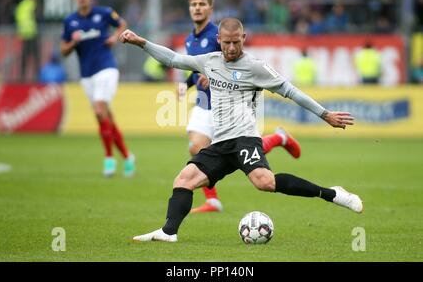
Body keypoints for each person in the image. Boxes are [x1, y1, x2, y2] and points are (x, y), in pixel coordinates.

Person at [119, 18, 362, 243]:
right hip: (221, 142)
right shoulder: (209, 62)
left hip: (245, 138)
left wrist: (325, 114)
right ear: (219, 41)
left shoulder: (256, 68)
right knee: (183, 180)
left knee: (264, 182)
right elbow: (172, 59)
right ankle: (168, 232)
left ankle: (332, 194)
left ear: (244, 38)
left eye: (237, 42)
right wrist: (141, 42)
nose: (232, 48)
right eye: (227, 43)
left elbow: (291, 91)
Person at [179, 0, 301, 214]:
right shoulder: (190, 39)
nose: (197, 8)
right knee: (197, 147)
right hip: (203, 102)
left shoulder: (220, 35)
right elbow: (198, 67)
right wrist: (186, 84)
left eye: (201, 4)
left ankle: (277, 138)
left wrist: (214, 74)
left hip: (229, 104)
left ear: (210, 9)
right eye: (193, 4)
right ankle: (212, 201)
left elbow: (233, 63)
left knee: (234, 150)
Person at [61, 0, 135, 177]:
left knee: (99, 109)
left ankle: (109, 158)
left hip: (107, 68)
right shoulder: (70, 21)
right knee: (104, 116)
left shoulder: (104, 13)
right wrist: (73, 42)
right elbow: (63, 51)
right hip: (86, 75)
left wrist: (115, 37)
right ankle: (128, 157)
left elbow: (122, 24)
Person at [15, 0, 40, 82]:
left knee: (24, 57)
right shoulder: (32, 3)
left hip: (23, 33)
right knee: (36, 56)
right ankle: (38, 76)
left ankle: (22, 76)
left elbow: (17, 18)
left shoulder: (21, 5)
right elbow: (37, 16)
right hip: (32, 33)